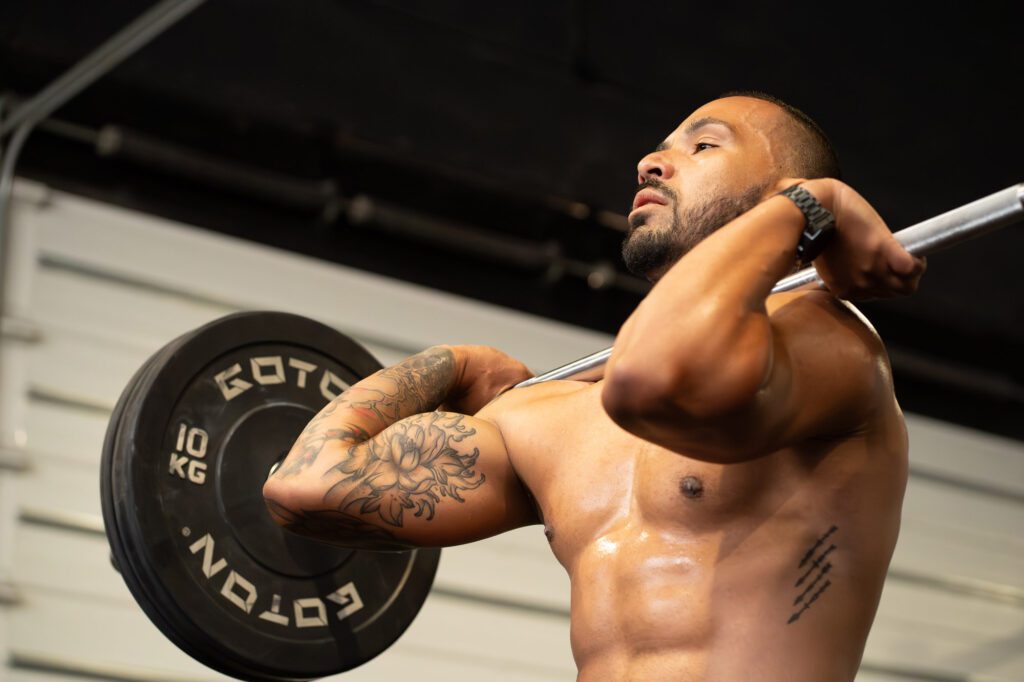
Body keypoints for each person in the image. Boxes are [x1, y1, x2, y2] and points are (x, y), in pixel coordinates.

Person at [263, 92, 926, 680]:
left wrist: (811, 206)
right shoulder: (555, 418)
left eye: (703, 146)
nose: (649, 163)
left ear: (786, 188)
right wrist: (454, 363)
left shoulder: (830, 347)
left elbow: (652, 379)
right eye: (659, 149)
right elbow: (307, 485)